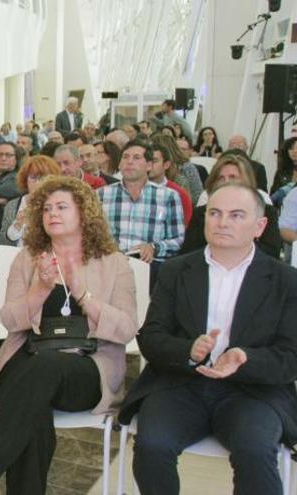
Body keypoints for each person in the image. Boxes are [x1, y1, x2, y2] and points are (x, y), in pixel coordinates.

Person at [0, 175, 137, 495]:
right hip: (28, 358)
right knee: (32, 407)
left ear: (84, 212)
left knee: (41, 371)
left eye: (62, 206)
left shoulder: (115, 263)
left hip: (88, 367)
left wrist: (83, 293)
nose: (52, 213)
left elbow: (126, 328)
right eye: (47, 207)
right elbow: (9, 321)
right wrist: (40, 290)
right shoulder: (27, 259)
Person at [119, 183, 297, 495]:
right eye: (214, 213)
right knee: (152, 446)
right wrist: (188, 349)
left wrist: (245, 358)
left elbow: (290, 355)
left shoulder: (284, 279)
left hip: (252, 391)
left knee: (255, 451)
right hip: (180, 383)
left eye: (236, 215)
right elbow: (151, 336)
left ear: (260, 226)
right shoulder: (176, 271)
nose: (222, 222)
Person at [97, 140, 184, 287]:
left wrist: (154, 248)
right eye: (125, 157)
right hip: (109, 267)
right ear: (119, 164)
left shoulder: (168, 196)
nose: (129, 162)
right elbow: (89, 234)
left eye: (137, 158)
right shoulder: (101, 195)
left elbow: (178, 239)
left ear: (149, 165)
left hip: (151, 269)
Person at [181, 154, 282, 258]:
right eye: (220, 178)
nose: (226, 182)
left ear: (246, 181)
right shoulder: (200, 213)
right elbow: (188, 253)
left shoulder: (266, 212)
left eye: (232, 177)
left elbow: (272, 252)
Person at [0, 155, 61, 246]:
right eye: (33, 177)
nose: (38, 183)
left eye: (43, 178)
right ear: (25, 180)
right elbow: (2, 242)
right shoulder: (13, 205)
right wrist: (17, 225)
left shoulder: (59, 205)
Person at [148, 144, 193, 227]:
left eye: (154, 161)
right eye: (146, 161)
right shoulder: (134, 190)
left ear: (166, 165)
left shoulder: (179, 194)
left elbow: (185, 227)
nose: (149, 165)